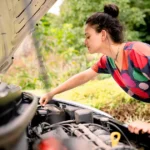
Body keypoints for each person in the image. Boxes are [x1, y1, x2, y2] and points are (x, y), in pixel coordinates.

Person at [39, 4, 150, 135]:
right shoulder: (109, 61)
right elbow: (84, 76)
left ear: (103, 34)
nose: (85, 42)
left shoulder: (137, 52)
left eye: (88, 36)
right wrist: (52, 93)